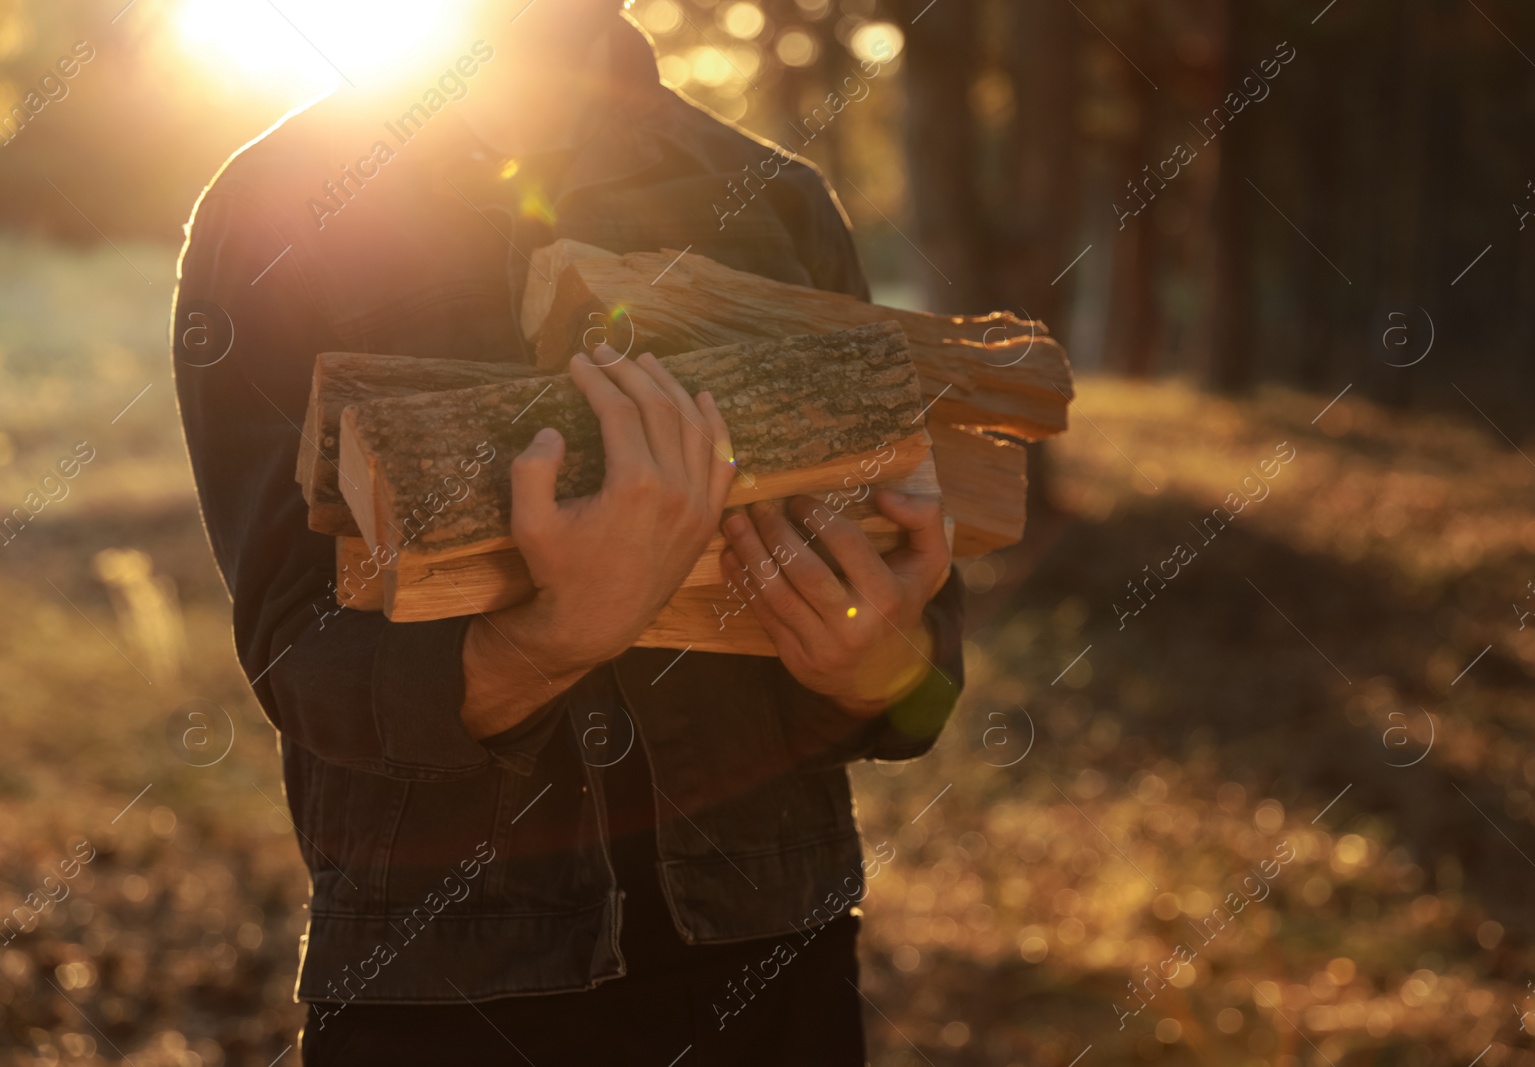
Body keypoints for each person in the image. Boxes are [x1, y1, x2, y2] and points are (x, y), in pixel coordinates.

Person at [171, 1, 964, 1062]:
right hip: (445, 981)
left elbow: (923, 669)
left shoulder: (777, 203)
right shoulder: (271, 209)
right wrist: (554, 637)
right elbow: (296, 646)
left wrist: (880, 659)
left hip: (771, 959)